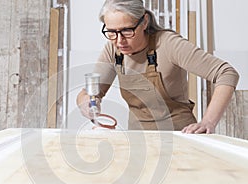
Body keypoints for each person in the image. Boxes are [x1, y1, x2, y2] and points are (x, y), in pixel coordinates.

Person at [76, 0, 239, 133]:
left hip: (179, 137)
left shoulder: (168, 44)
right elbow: (88, 93)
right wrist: (87, 104)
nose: (119, 41)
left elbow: (226, 73)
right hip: (139, 142)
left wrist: (208, 122)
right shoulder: (114, 49)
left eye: (127, 31)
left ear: (144, 22)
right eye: (111, 32)